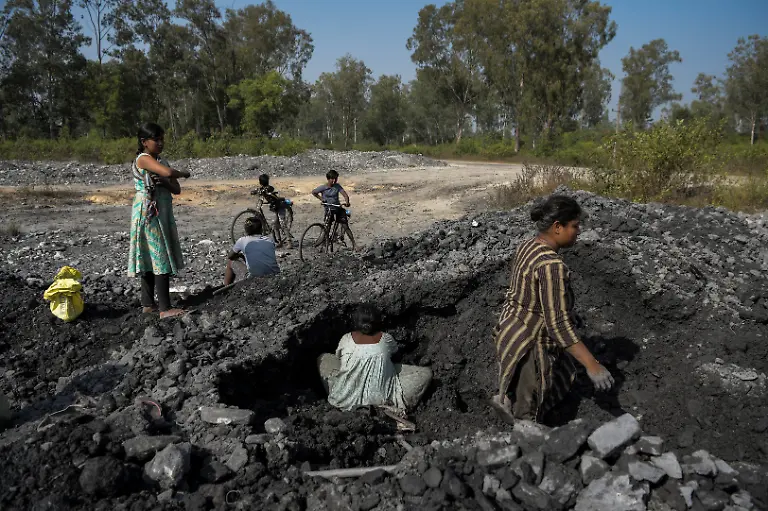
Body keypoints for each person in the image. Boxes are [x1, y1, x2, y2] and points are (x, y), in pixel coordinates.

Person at [490, 194, 614, 424]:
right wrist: (593, 365)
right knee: (527, 412)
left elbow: (528, 293)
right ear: (558, 227)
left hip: (510, 329)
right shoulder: (552, 266)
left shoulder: (528, 246)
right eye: (575, 226)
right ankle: (523, 442)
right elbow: (557, 325)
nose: (578, 232)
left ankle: (508, 401)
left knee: (541, 382)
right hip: (530, 344)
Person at [317, 304, 432, 415]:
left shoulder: (346, 339)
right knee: (426, 373)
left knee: (323, 358)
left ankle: (339, 396)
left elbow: (339, 360)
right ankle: (393, 406)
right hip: (379, 401)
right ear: (377, 322)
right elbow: (397, 357)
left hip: (343, 402)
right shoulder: (386, 338)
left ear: (355, 322)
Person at [127, 123, 190, 319]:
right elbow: (171, 174)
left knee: (150, 256)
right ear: (144, 142)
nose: (161, 143)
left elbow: (176, 189)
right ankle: (164, 308)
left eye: (162, 139)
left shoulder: (161, 160)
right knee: (158, 254)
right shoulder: (144, 159)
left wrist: (165, 180)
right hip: (149, 214)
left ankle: (148, 304)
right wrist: (182, 173)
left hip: (161, 212)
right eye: (157, 140)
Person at [224, 216, 280, 285]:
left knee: (230, 262)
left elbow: (230, 256)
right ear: (261, 230)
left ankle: (226, 288)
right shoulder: (269, 240)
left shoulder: (242, 240)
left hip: (255, 279)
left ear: (246, 231)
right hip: (275, 275)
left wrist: (240, 255)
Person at [311, 170, 354, 245]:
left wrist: (347, 202)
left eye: (336, 179)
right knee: (326, 228)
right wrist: (322, 199)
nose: (334, 180)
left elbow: (345, 195)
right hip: (329, 209)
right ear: (328, 179)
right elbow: (314, 192)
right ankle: (320, 244)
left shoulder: (337, 186)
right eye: (332, 179)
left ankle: (355, 245)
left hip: (337, 208)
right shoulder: (323, 187)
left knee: (345, 226)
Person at [251, 173, 292, 247]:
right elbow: (258, 190)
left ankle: (289, 242)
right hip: (274, 208)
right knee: (274, 225)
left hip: (280, 207)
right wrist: (254, 191)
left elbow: (270, 190)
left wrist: (263, 192)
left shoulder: (269, 189)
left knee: (282, 224)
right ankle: (279, 242)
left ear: (260, 182)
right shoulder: (262, 189)